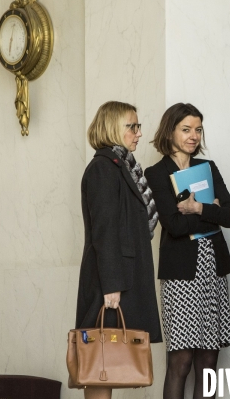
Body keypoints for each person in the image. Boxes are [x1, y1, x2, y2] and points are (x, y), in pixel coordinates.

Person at [144, 103, 230, 399]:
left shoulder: (207, 168)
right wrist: (213, 211)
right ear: (170, 131)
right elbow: (173, 224)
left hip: (212, 270)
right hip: (181, 274)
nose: (193, 136)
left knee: (209, 361)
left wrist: (198, 207)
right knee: (181, 360)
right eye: (186, 129)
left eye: (197, 129)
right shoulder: (157, 173)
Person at [75, 101, 162, 399]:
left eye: (139, 126)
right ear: (113, 128)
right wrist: (111, 286)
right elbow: (104, 230)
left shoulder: (122, 167)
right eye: (132, 126)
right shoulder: (103, 168)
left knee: (109, 359)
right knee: (100, 359)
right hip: (109, 281)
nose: (139, 133)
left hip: (121, 277)